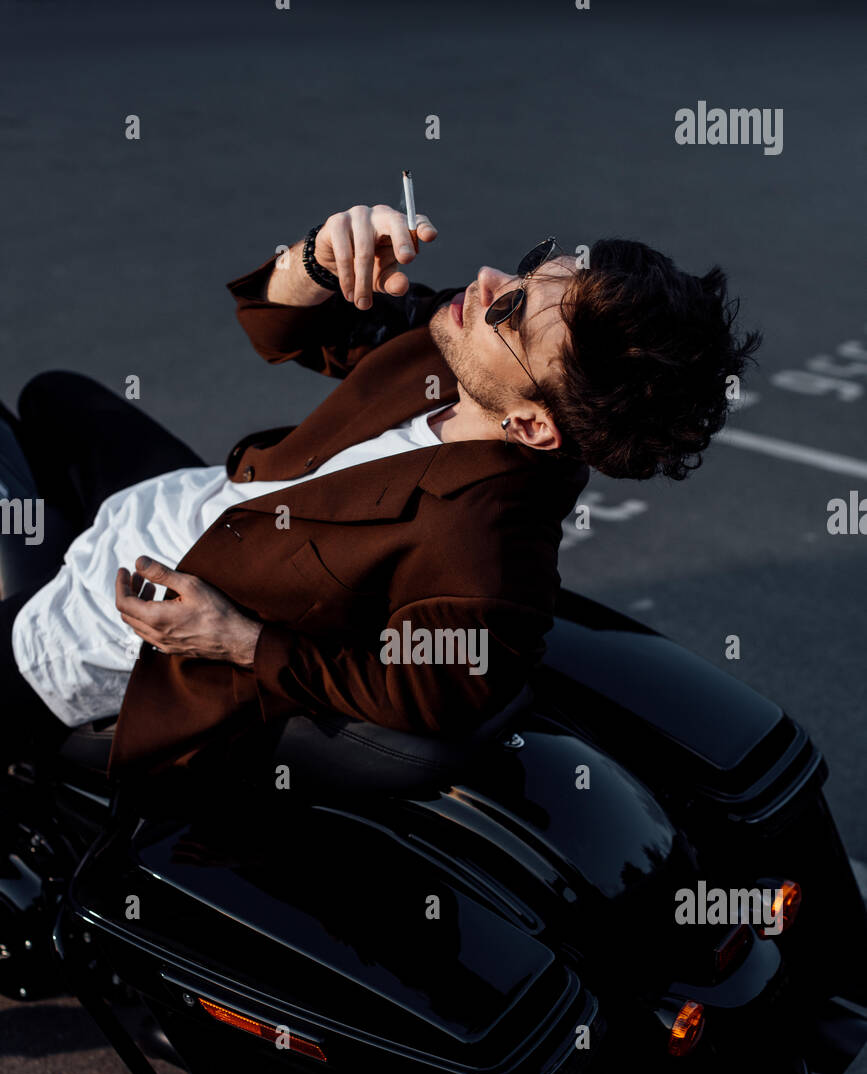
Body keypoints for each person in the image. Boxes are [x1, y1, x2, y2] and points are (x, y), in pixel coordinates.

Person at [0, 202, 759, 781]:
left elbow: (438, 694)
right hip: (193, 504)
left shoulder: (485, 544)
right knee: (53, 397)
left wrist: (238, 640)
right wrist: (318, 260)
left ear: (530, 428)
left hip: (107, 631)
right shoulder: (458, 354)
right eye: (529, 270)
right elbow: (283, 328)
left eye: (512, 311)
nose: (489, 282)